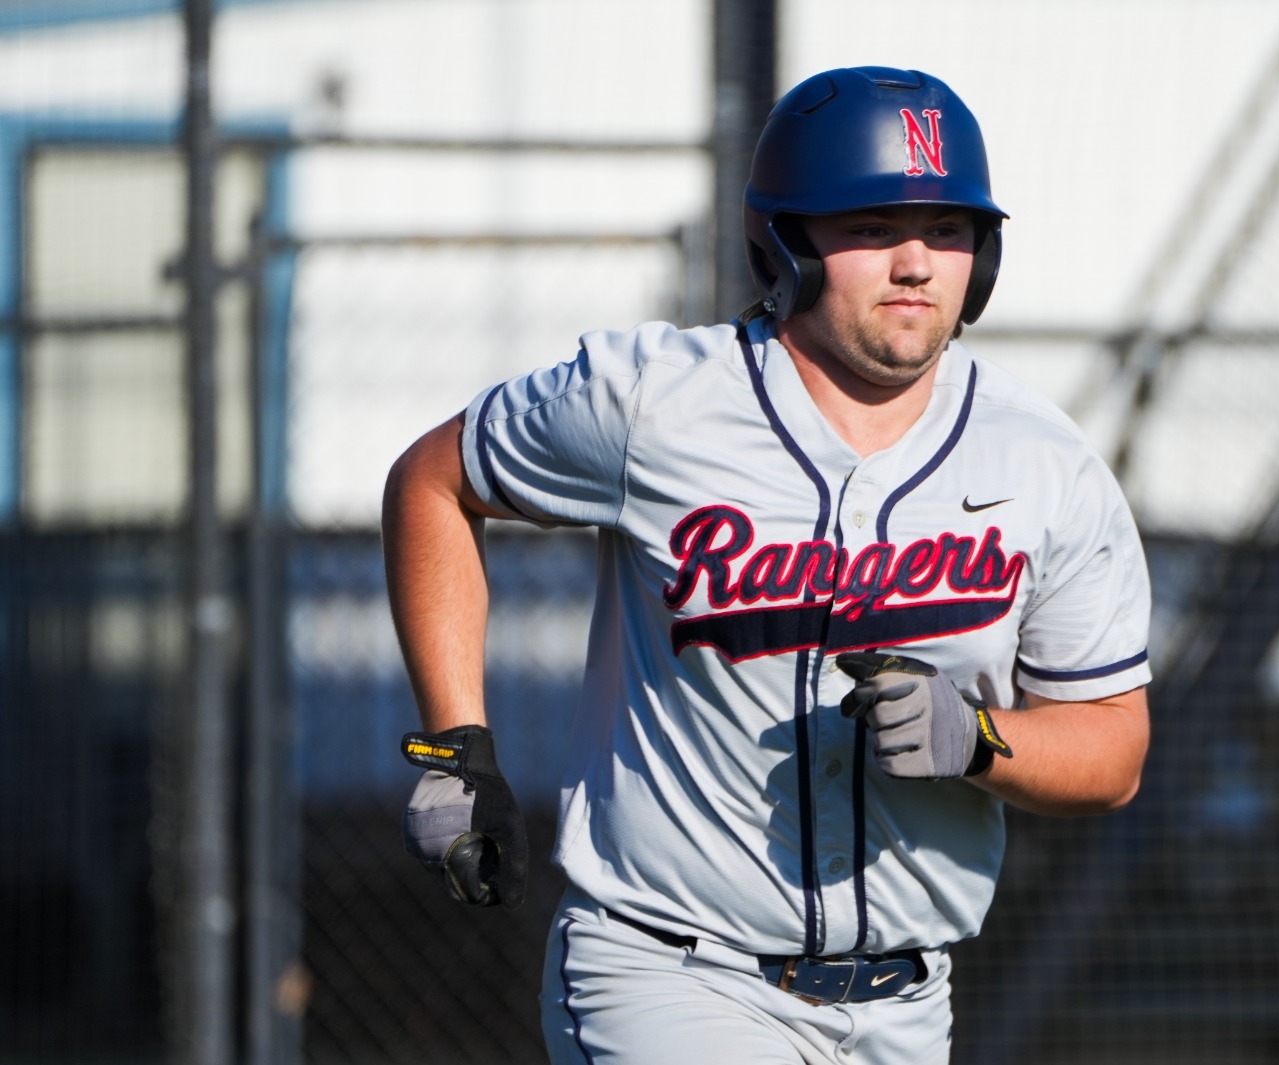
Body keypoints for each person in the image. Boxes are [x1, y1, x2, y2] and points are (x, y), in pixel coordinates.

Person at [382, 65, 1152, 1065]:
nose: (917, 261)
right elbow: (434, 482)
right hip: (667, 972)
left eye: (950, 229)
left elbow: (1114, 749)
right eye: (872, 227)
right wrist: (455, 743)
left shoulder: (1045, 464)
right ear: (784, 242)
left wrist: (981, 741)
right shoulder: (651, 400)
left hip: (906, 1006)